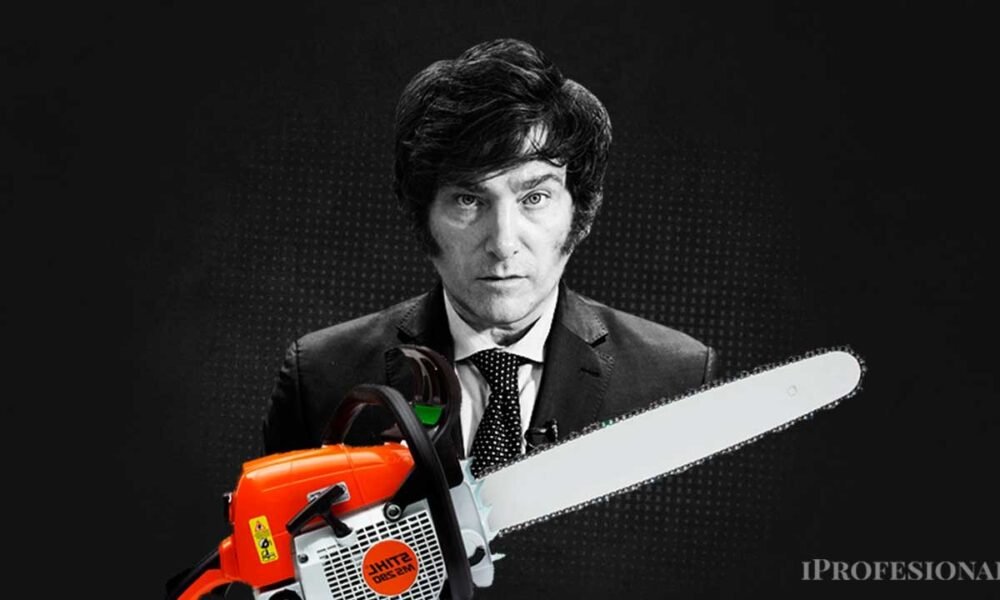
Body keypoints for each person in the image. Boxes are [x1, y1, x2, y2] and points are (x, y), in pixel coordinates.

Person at [261, 38, 718, 474]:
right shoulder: (317, 378)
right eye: (468, 200)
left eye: (535, 198)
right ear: (422, 215)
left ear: (580, 212)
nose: (503, 242)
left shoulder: (678, 380)